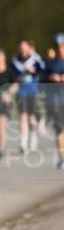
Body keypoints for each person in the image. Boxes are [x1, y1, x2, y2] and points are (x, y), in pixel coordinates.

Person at [11, 39, 45, 154]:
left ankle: (33, 138)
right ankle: (23, 144)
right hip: (21, 92)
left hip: (32, 91)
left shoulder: (34, 59)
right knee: (23, 116)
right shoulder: (15, 61)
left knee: (32, 117)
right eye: (21, 47)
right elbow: (13, 73)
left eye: (24, 47)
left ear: (28, 48)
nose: (22, 49)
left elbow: (43, 68)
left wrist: (33, 67)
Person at [45, 34, 64, 169]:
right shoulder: (50, 64)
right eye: (58, 46)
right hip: (56, 102)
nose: (60, 49)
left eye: (62, 46)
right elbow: (42, 80)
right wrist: (50, 78)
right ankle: (62, 158)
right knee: (60, 130)